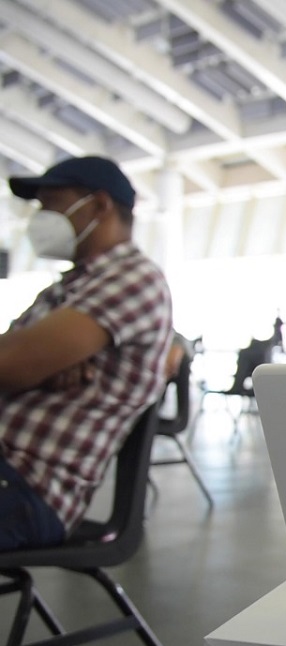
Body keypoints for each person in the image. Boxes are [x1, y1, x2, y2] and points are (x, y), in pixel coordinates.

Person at [0, 156, 173, 551]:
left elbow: (9, 364)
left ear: (98, 206)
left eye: (51, 203)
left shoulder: (130, 278)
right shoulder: (70, 287)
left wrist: (27, 364)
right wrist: (35, 361)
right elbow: (15, 356)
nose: (40, 217)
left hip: (26, 487)